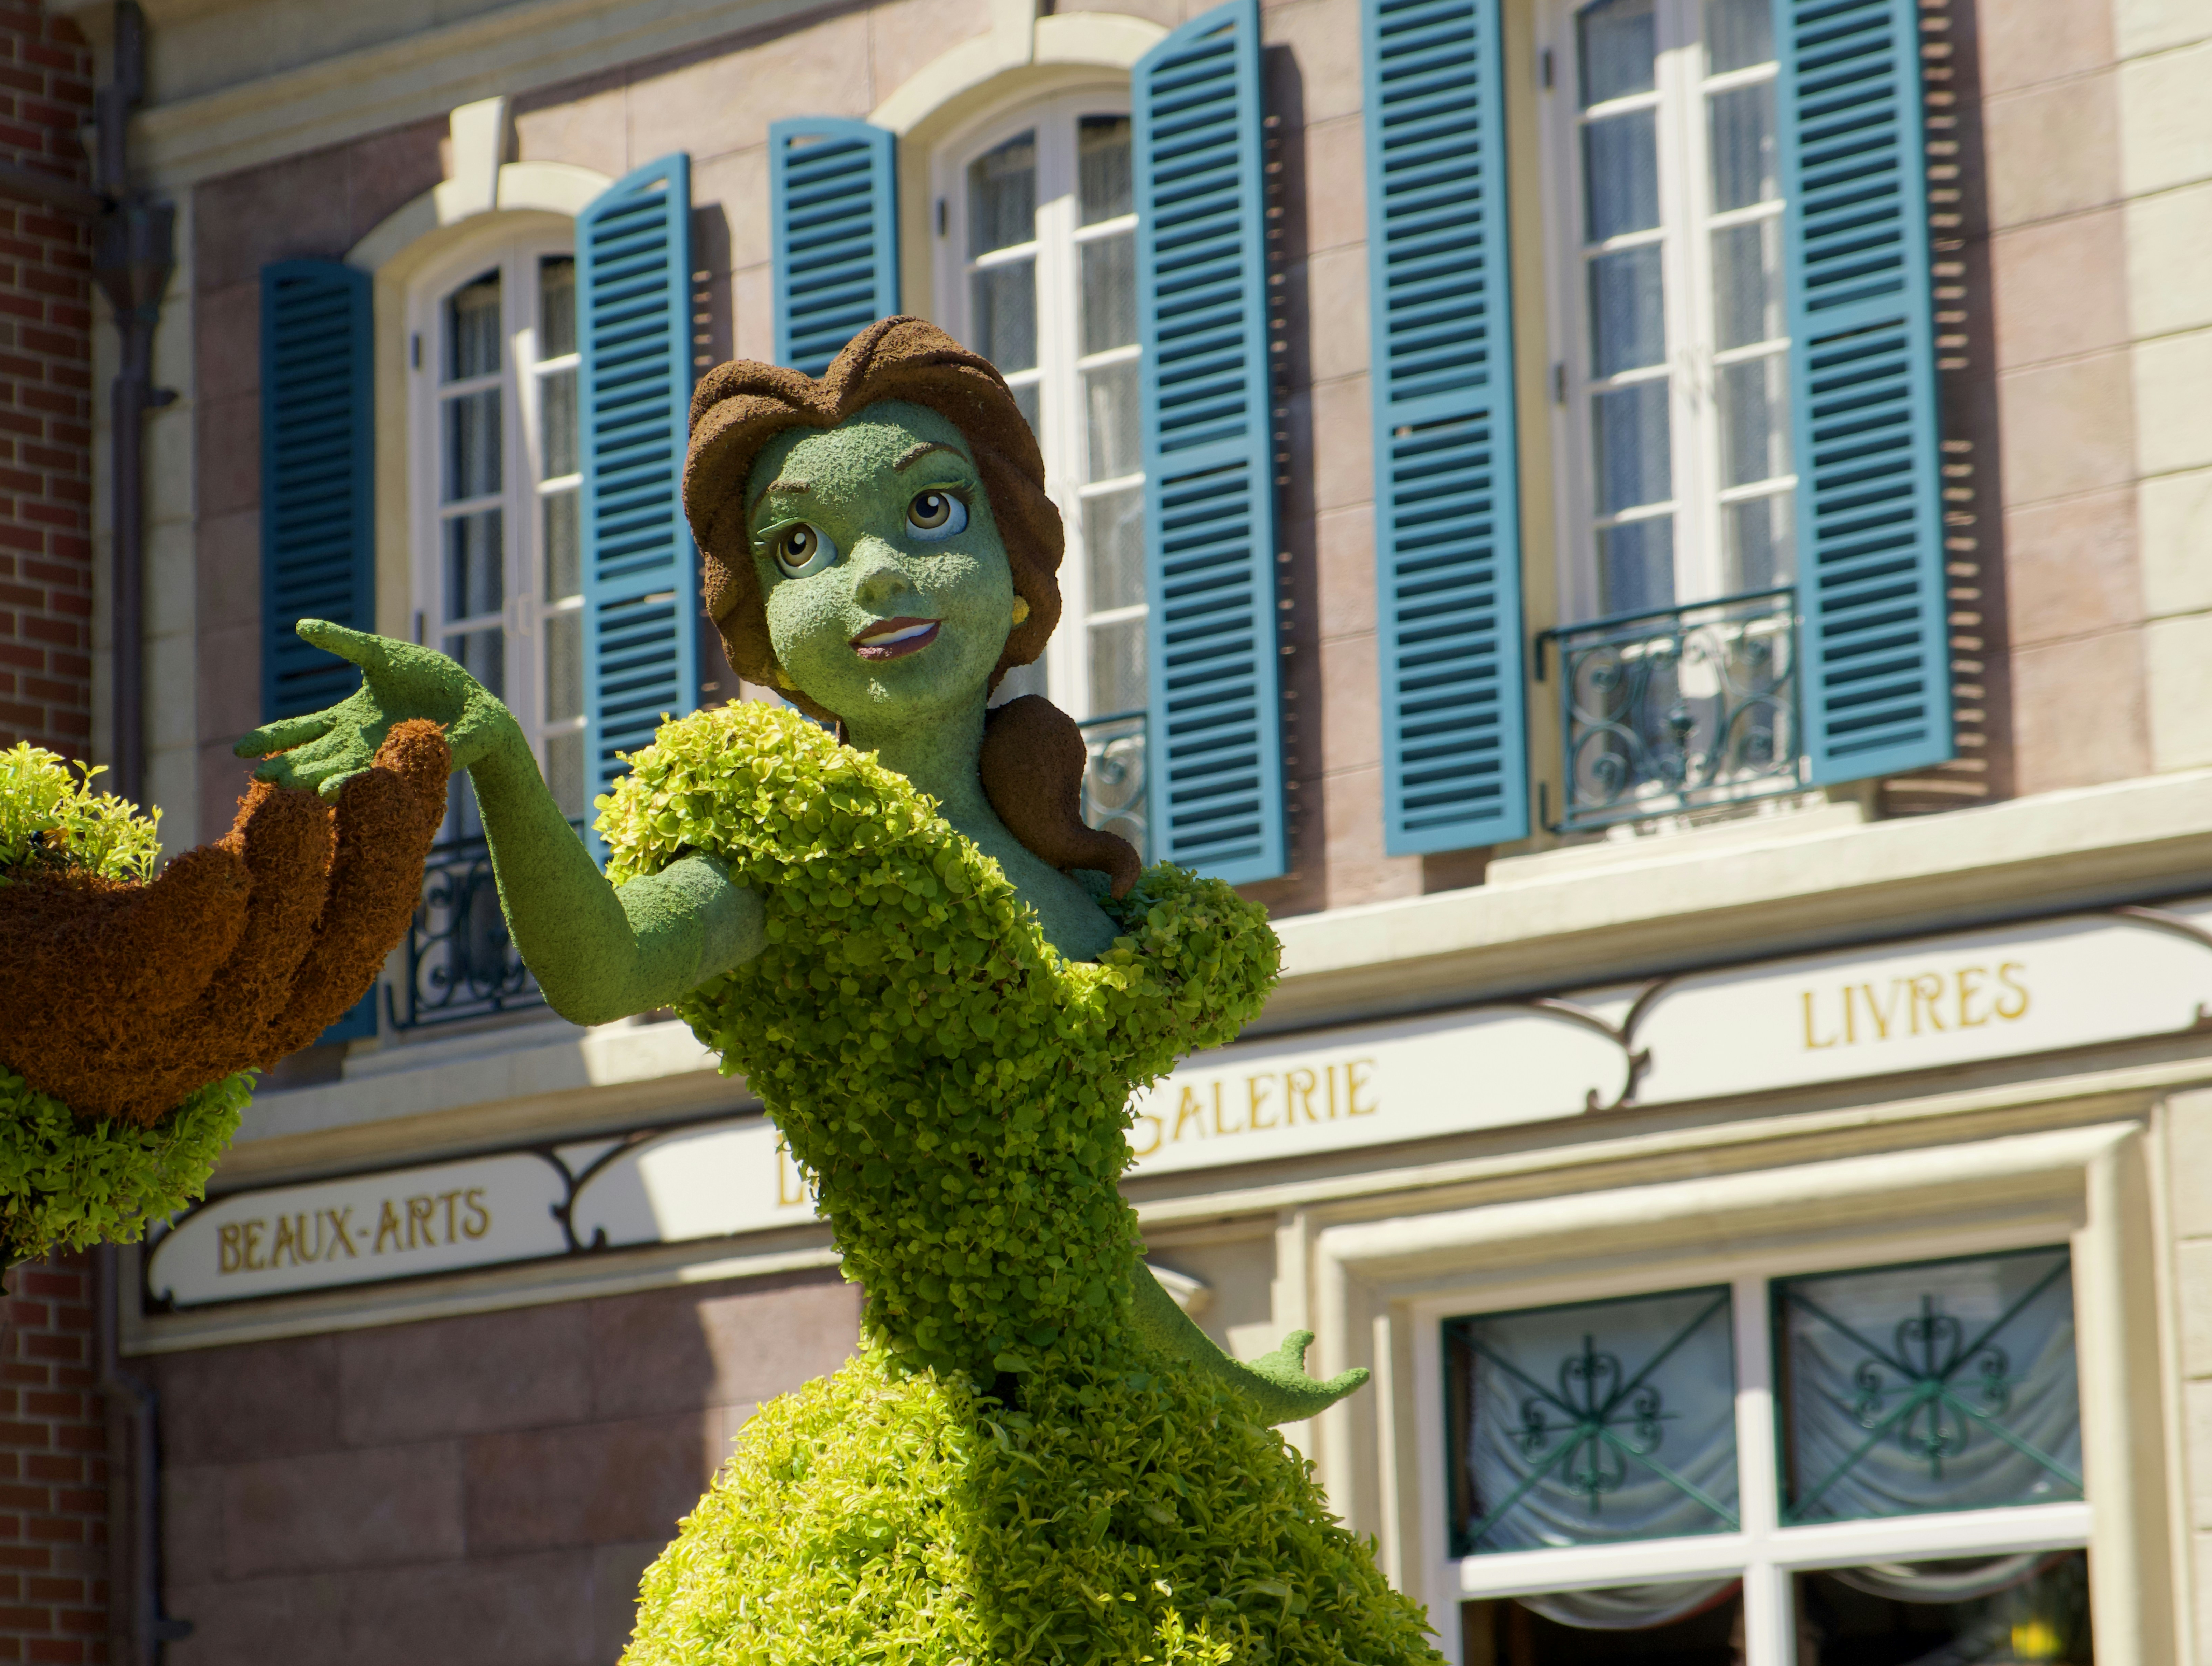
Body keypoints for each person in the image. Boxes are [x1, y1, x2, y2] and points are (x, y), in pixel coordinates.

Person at [247, 318, 1442, 1662]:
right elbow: (601, 969)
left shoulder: (1076, 881)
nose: (877, 577)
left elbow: (1062, 1232)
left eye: (928, 511)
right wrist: (497, 756)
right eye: (803, 548)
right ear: (763, 626)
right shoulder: (787, 849)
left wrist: (1208, 1375)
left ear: (1014, 556)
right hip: (933, 1469)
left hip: (1140, 1448)